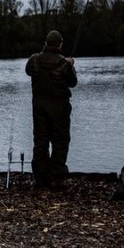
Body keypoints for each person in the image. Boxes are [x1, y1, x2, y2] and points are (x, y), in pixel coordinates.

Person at [25, 30, 78, 188]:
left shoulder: (34, 60)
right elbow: (73, 83)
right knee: (60, 142)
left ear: (45, 43)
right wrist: (71, 65)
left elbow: (28, 71)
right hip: (59, 109)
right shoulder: (64, 64)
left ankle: (40, 178)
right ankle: (56, 178)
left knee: (40, 141)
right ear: (60, 45)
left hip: (39, 107)